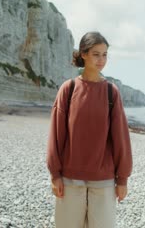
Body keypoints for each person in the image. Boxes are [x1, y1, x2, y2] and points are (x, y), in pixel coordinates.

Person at [46, 31, 133, 227]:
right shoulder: (68, 90)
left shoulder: (112, 92)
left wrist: (123, 179)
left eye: (104, 54)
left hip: (103, 182)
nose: (101, 60)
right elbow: (56, 136)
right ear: (83, 54)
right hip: (69, 181)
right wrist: (55, 175)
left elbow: (121, 138)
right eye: (96, 54)